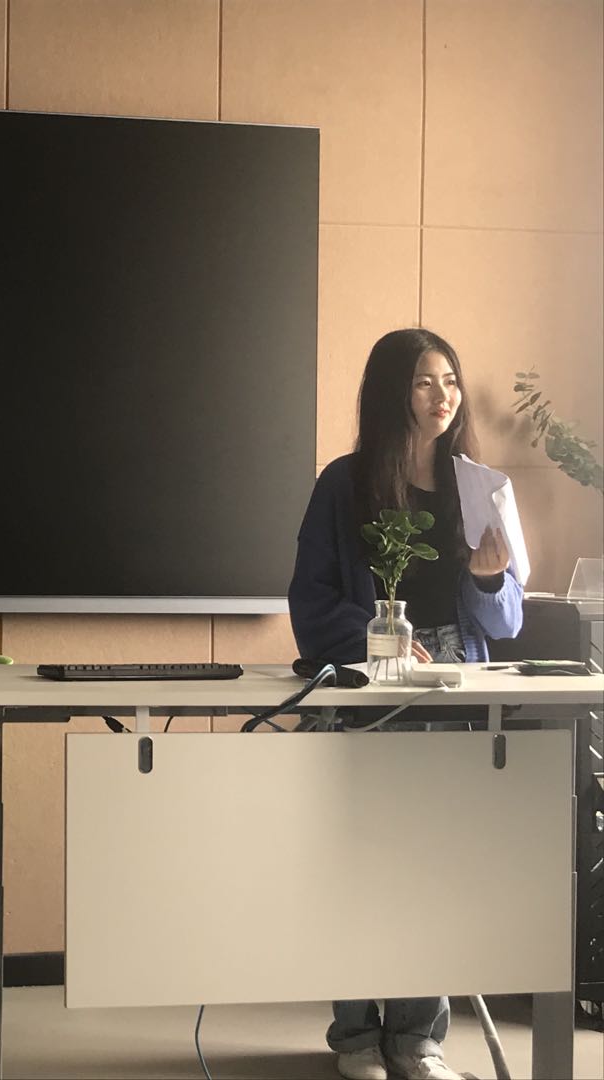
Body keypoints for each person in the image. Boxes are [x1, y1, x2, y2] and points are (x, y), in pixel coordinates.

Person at [288, 328, 522, 1080]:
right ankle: (358, 1036)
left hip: (455, 689)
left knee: (434, 866)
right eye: (424, 381)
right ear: (394, 392)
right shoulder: (345, 483)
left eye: (449, 380)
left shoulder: (477, 486)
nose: (442, 395)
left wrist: (488, 578)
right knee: (357, 863)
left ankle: (418, 1038)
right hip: (370, 688)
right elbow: (310, 599)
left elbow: (506, 621)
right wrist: (376, 639)